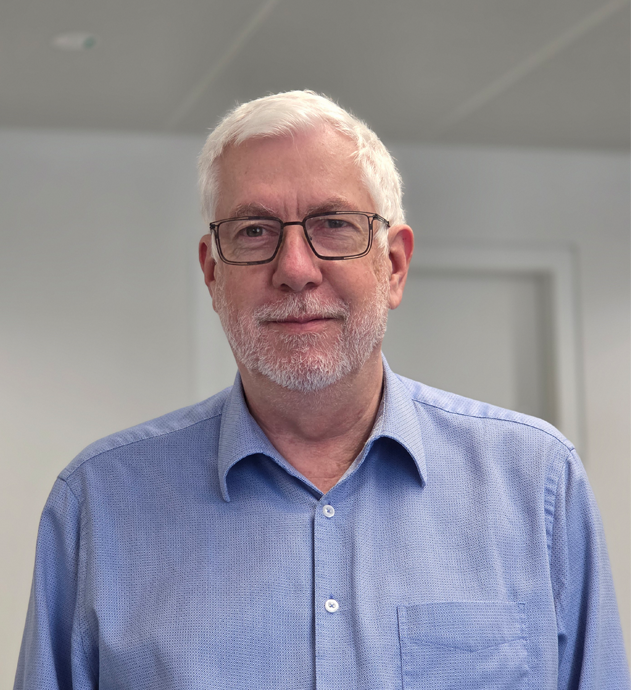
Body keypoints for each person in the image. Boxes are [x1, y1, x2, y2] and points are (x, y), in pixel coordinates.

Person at [15, 90, 630, 689]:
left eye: (334, 225)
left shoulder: (537, 482)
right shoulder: (99, 504)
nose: (294, 269)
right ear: (212, 272)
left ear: (394, 265)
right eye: (254, 231)